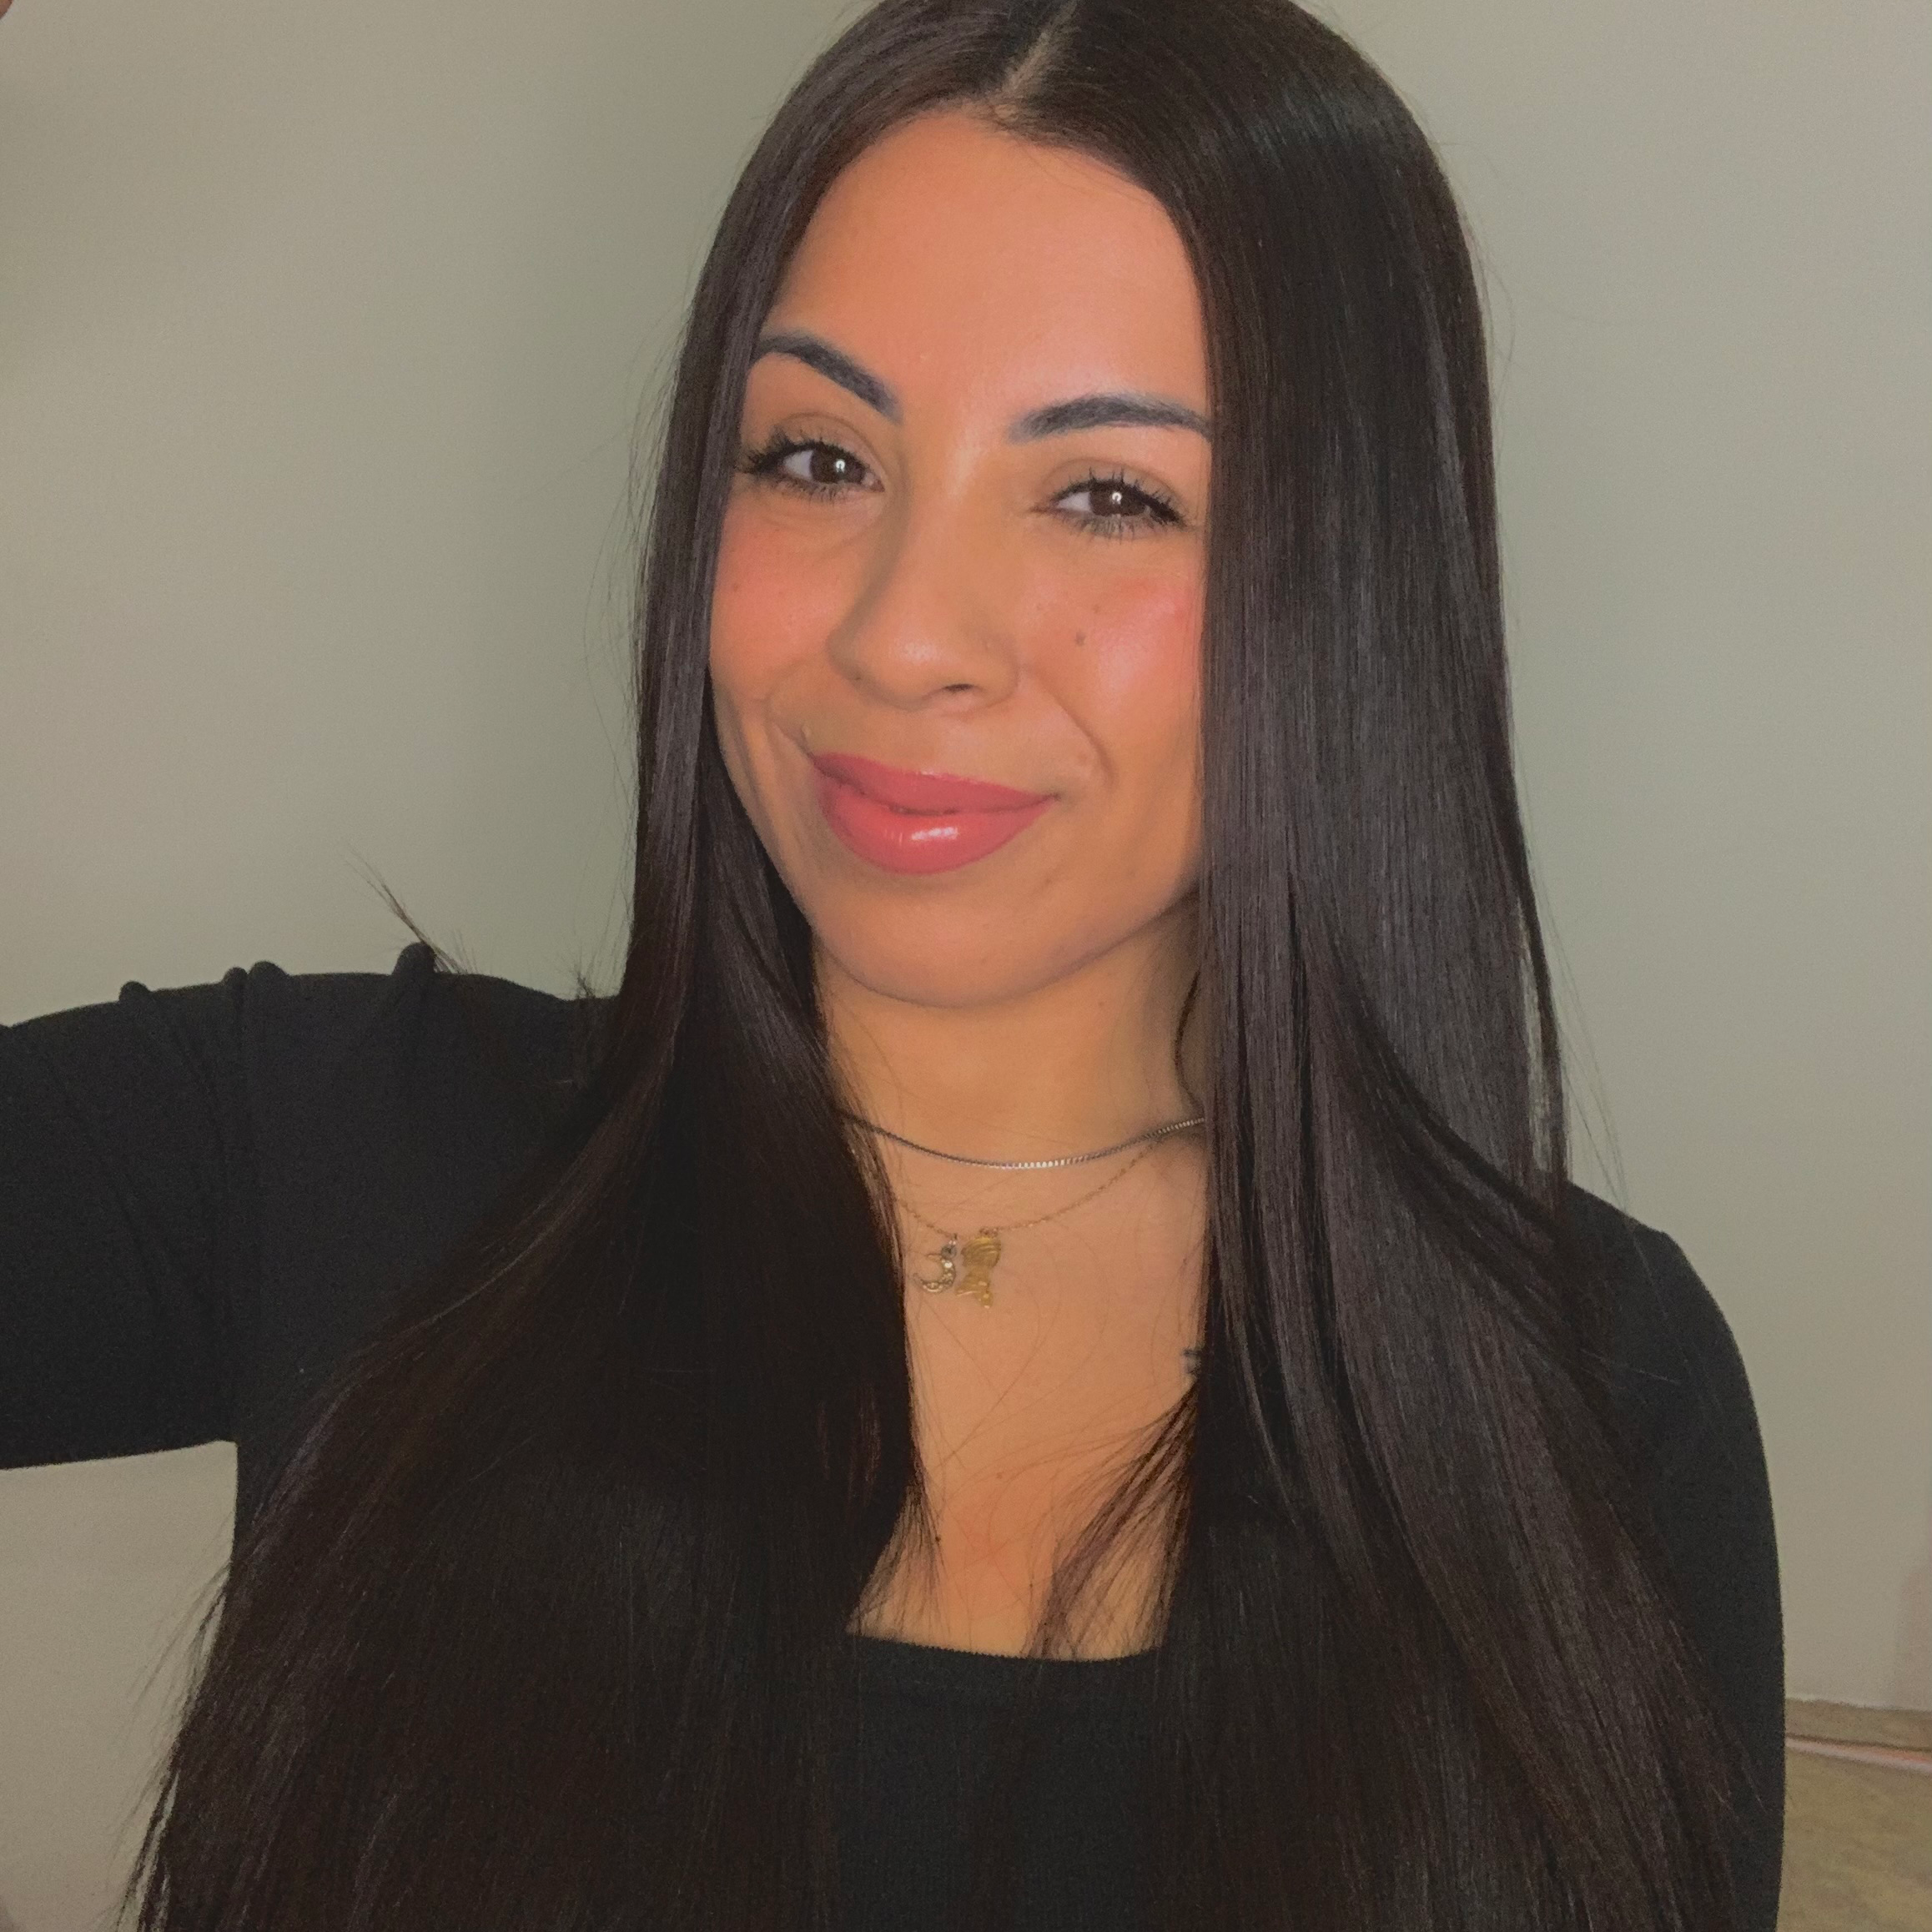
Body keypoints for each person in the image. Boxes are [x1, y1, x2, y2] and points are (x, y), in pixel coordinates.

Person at [0, 1, 1784, 1927]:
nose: (903, 634)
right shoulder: (326, 1143)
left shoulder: (1598, 1394)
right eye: (819, 458)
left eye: (1109, 494)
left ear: (1345, 581)